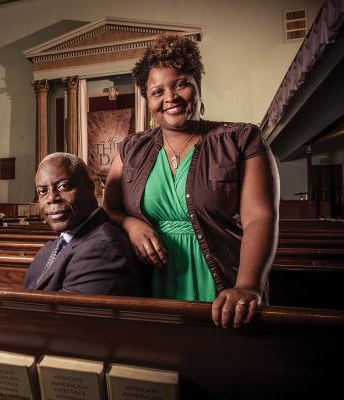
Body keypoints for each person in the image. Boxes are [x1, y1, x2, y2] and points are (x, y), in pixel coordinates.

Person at [103, 34, 279, 328]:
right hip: (150, 281)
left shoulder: (241, 139)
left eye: (180, 83)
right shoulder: (130, 149)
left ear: (197, 85)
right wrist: (130, 224)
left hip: (223, 278)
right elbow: (107, 210)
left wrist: (248, 286)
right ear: (148, 100)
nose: (169, 97)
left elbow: (259, 218)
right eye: (157, 91)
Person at [23, 153, 142, 295]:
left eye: (63, 186)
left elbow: (68, 315)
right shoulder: (59, 243)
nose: (52, 198)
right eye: (42, 191)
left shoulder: (102, 248)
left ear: (90, 187)